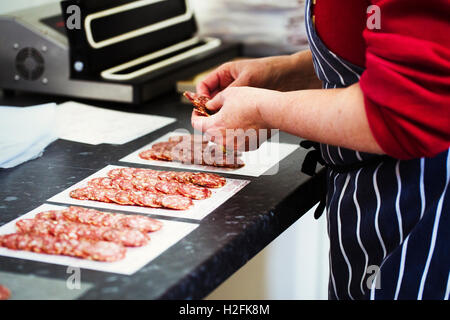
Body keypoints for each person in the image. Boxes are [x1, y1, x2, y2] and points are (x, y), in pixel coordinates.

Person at [191, 0, 450, 300]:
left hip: (422, 202)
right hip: (371, 199)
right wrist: (286, 72)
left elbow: (403, 108)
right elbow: (380, 49)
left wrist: (263, 109)